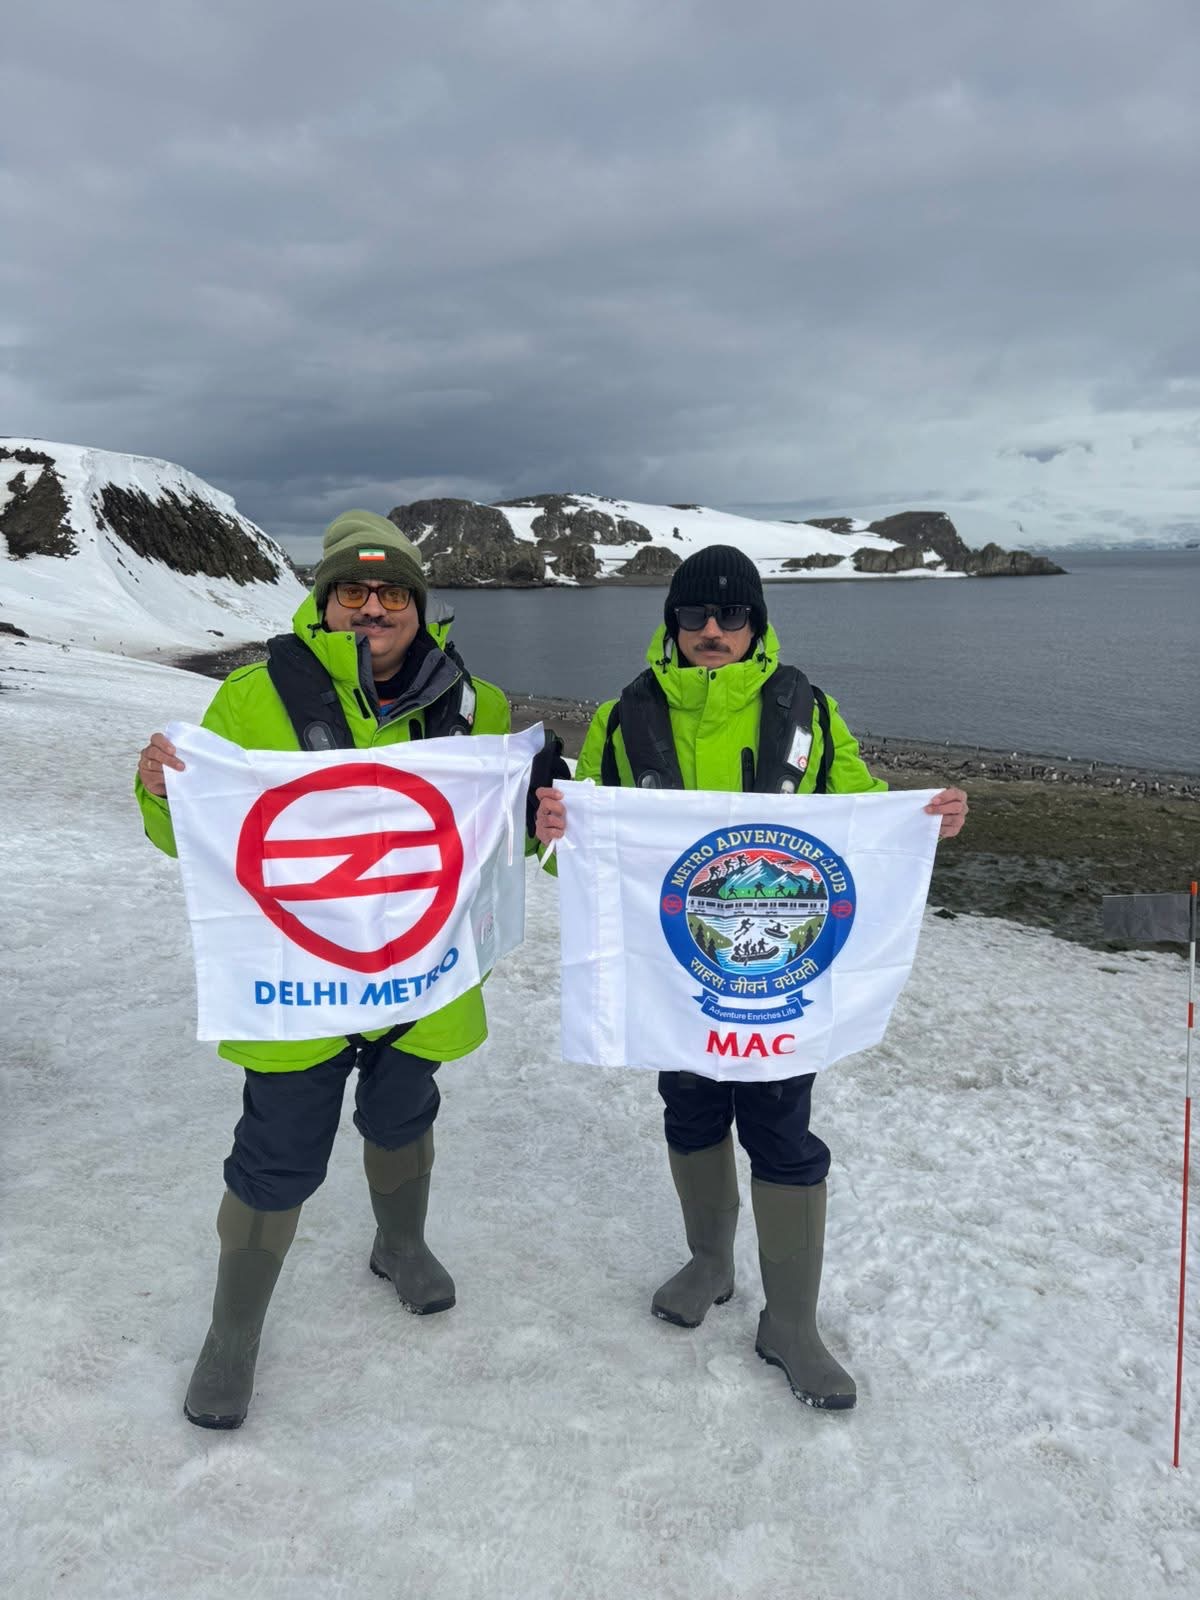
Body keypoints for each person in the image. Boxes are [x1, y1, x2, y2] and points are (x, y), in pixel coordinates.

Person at [533, 544, 967, 1411]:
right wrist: (558, 829)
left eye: (732, 616)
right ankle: (709, 1263)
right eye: (694, 616)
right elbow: (593, 859)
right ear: (673, 624)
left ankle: (792, 1324)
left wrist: (922, 821)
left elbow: (857, 809)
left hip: (778, 974)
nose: (712, 631)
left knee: (781, 1132)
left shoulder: (805, 706)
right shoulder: (627, 717)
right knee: (690, 1113)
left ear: (757, 623)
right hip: (678, 971)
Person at [136, 509, 515, 1430]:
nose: (372, 606)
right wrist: (157, 791)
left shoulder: (480, 707)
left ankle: (400, 1243)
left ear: (420, 608)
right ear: (325, 601)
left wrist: (548, 824)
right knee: (277, 1152)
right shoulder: (252, 698)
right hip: (296, 983)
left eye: (391, 592)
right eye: (353, 589)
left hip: (419, 977)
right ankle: (233, 1335)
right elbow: (195, 836)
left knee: (402, 1115)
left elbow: (502, 842)